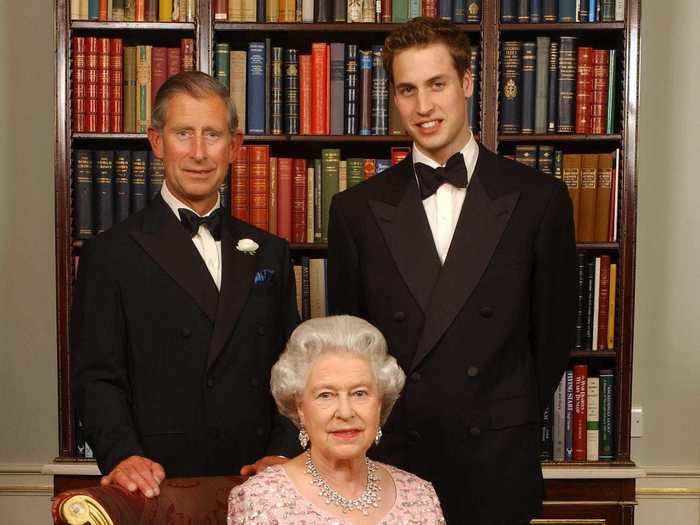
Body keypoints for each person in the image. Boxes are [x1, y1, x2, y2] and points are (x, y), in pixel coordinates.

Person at [327, 18, 578, 525]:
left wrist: (500, 411)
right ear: (393, 98)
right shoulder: (355, 209)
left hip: (497, 458)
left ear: (466, 83)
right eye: (407, 90)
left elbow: (552, 340)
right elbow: (351, 348)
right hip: (397, 458)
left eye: (437, 85)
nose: (423, 107)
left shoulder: (538, 199)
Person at [72, 71, 299, 498]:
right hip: (158, 485)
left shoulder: (271, 252)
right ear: (156, 142)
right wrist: (122, 455)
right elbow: (97, 378)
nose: (198, 153)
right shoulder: (110, 254)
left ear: (234, 147)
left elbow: (295, 371)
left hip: (260, 482)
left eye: (212, 135)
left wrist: (283, 453)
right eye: (183, 134)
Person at [227, 315, 445, 524]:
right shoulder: (261, 500)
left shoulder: (419, 495)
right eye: (326, 395)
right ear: (301, 408)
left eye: (359, 393)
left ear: (379, 403)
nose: (345, 412)